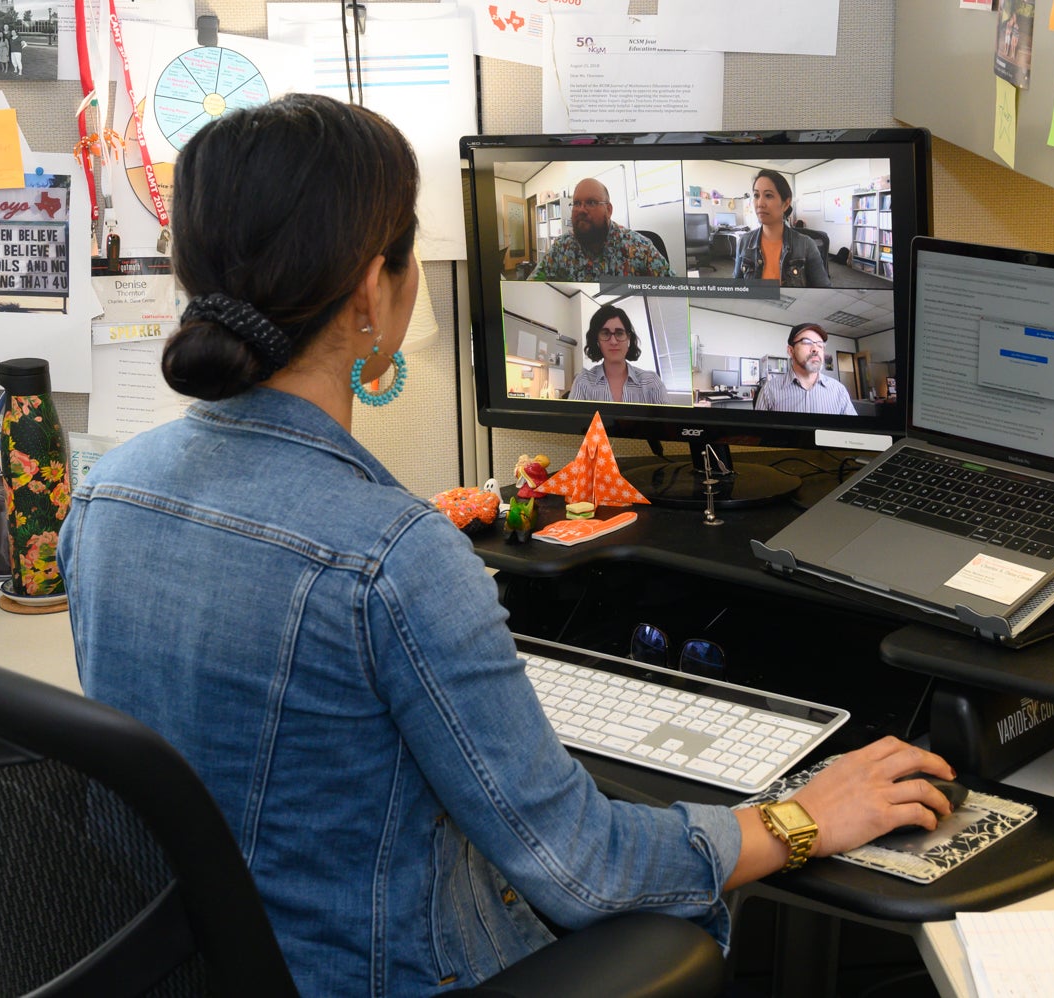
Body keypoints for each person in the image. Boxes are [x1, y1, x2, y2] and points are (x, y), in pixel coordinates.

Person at [57, 94, 955, 997]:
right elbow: (582, 866)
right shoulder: (394, 558)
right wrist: (799, 819)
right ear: (376, 290)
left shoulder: (102, 499)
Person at [530, 178, 674, 281]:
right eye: (576, 203)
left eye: (591, 202)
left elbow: (674, 291)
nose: (581, 210)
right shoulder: (562, 247)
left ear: (609, 210)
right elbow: (533, 286)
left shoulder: (640, 248)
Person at [733, 168, 830, 288]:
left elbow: (824, 291)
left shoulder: (806, 245)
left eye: (768, 195)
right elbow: (736, 288)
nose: (760, 203)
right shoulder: (744, 242)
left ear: (785, 204)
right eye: (756, 195)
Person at [567, 305, 669, 404]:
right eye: (605, 333)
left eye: (619, 333)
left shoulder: (651, 382)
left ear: (628, 338)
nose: (613, 341)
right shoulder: (583, 383)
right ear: (597, 339)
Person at [755, 322, 858, 415]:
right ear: (791, 351)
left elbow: (854, 433)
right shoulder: (769, 390)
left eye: (820, 345)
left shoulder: (839, 390)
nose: (815, 349)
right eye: (807, 342)